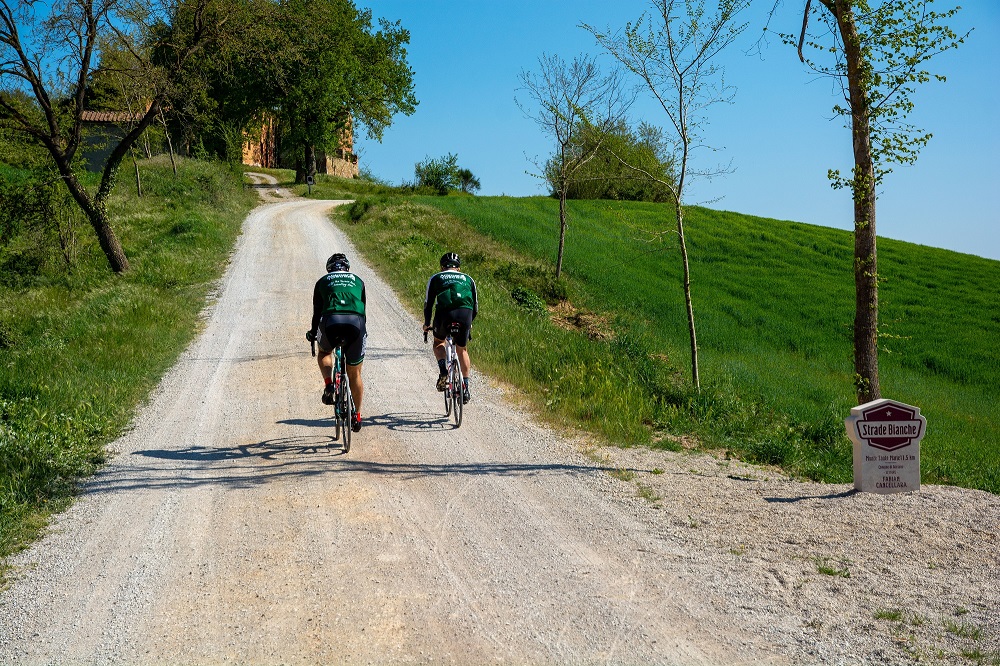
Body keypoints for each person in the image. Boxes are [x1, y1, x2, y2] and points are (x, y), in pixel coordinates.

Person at [308, 253, 366, 432]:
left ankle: (329, 385)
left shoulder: (322, 281)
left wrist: (312, 334)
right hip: (355, 323)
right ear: (347, 268)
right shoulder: (358, 280)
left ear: (329, 269)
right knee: (354, 373)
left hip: (330, 321)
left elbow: (317, 314)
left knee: (325, 352)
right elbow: (363, 310)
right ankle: (357, 415)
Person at [423, 252, 478, 404]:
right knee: (462, 349)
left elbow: (428, 304)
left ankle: (443, 369)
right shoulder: (468, 279)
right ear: (458, 268)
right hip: (465, 314)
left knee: (439, 342)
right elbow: (475, 306)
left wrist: (427, 324)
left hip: (444, 314)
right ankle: (465, 387)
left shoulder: (436, 278)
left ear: (442, 267)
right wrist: (469, 323)